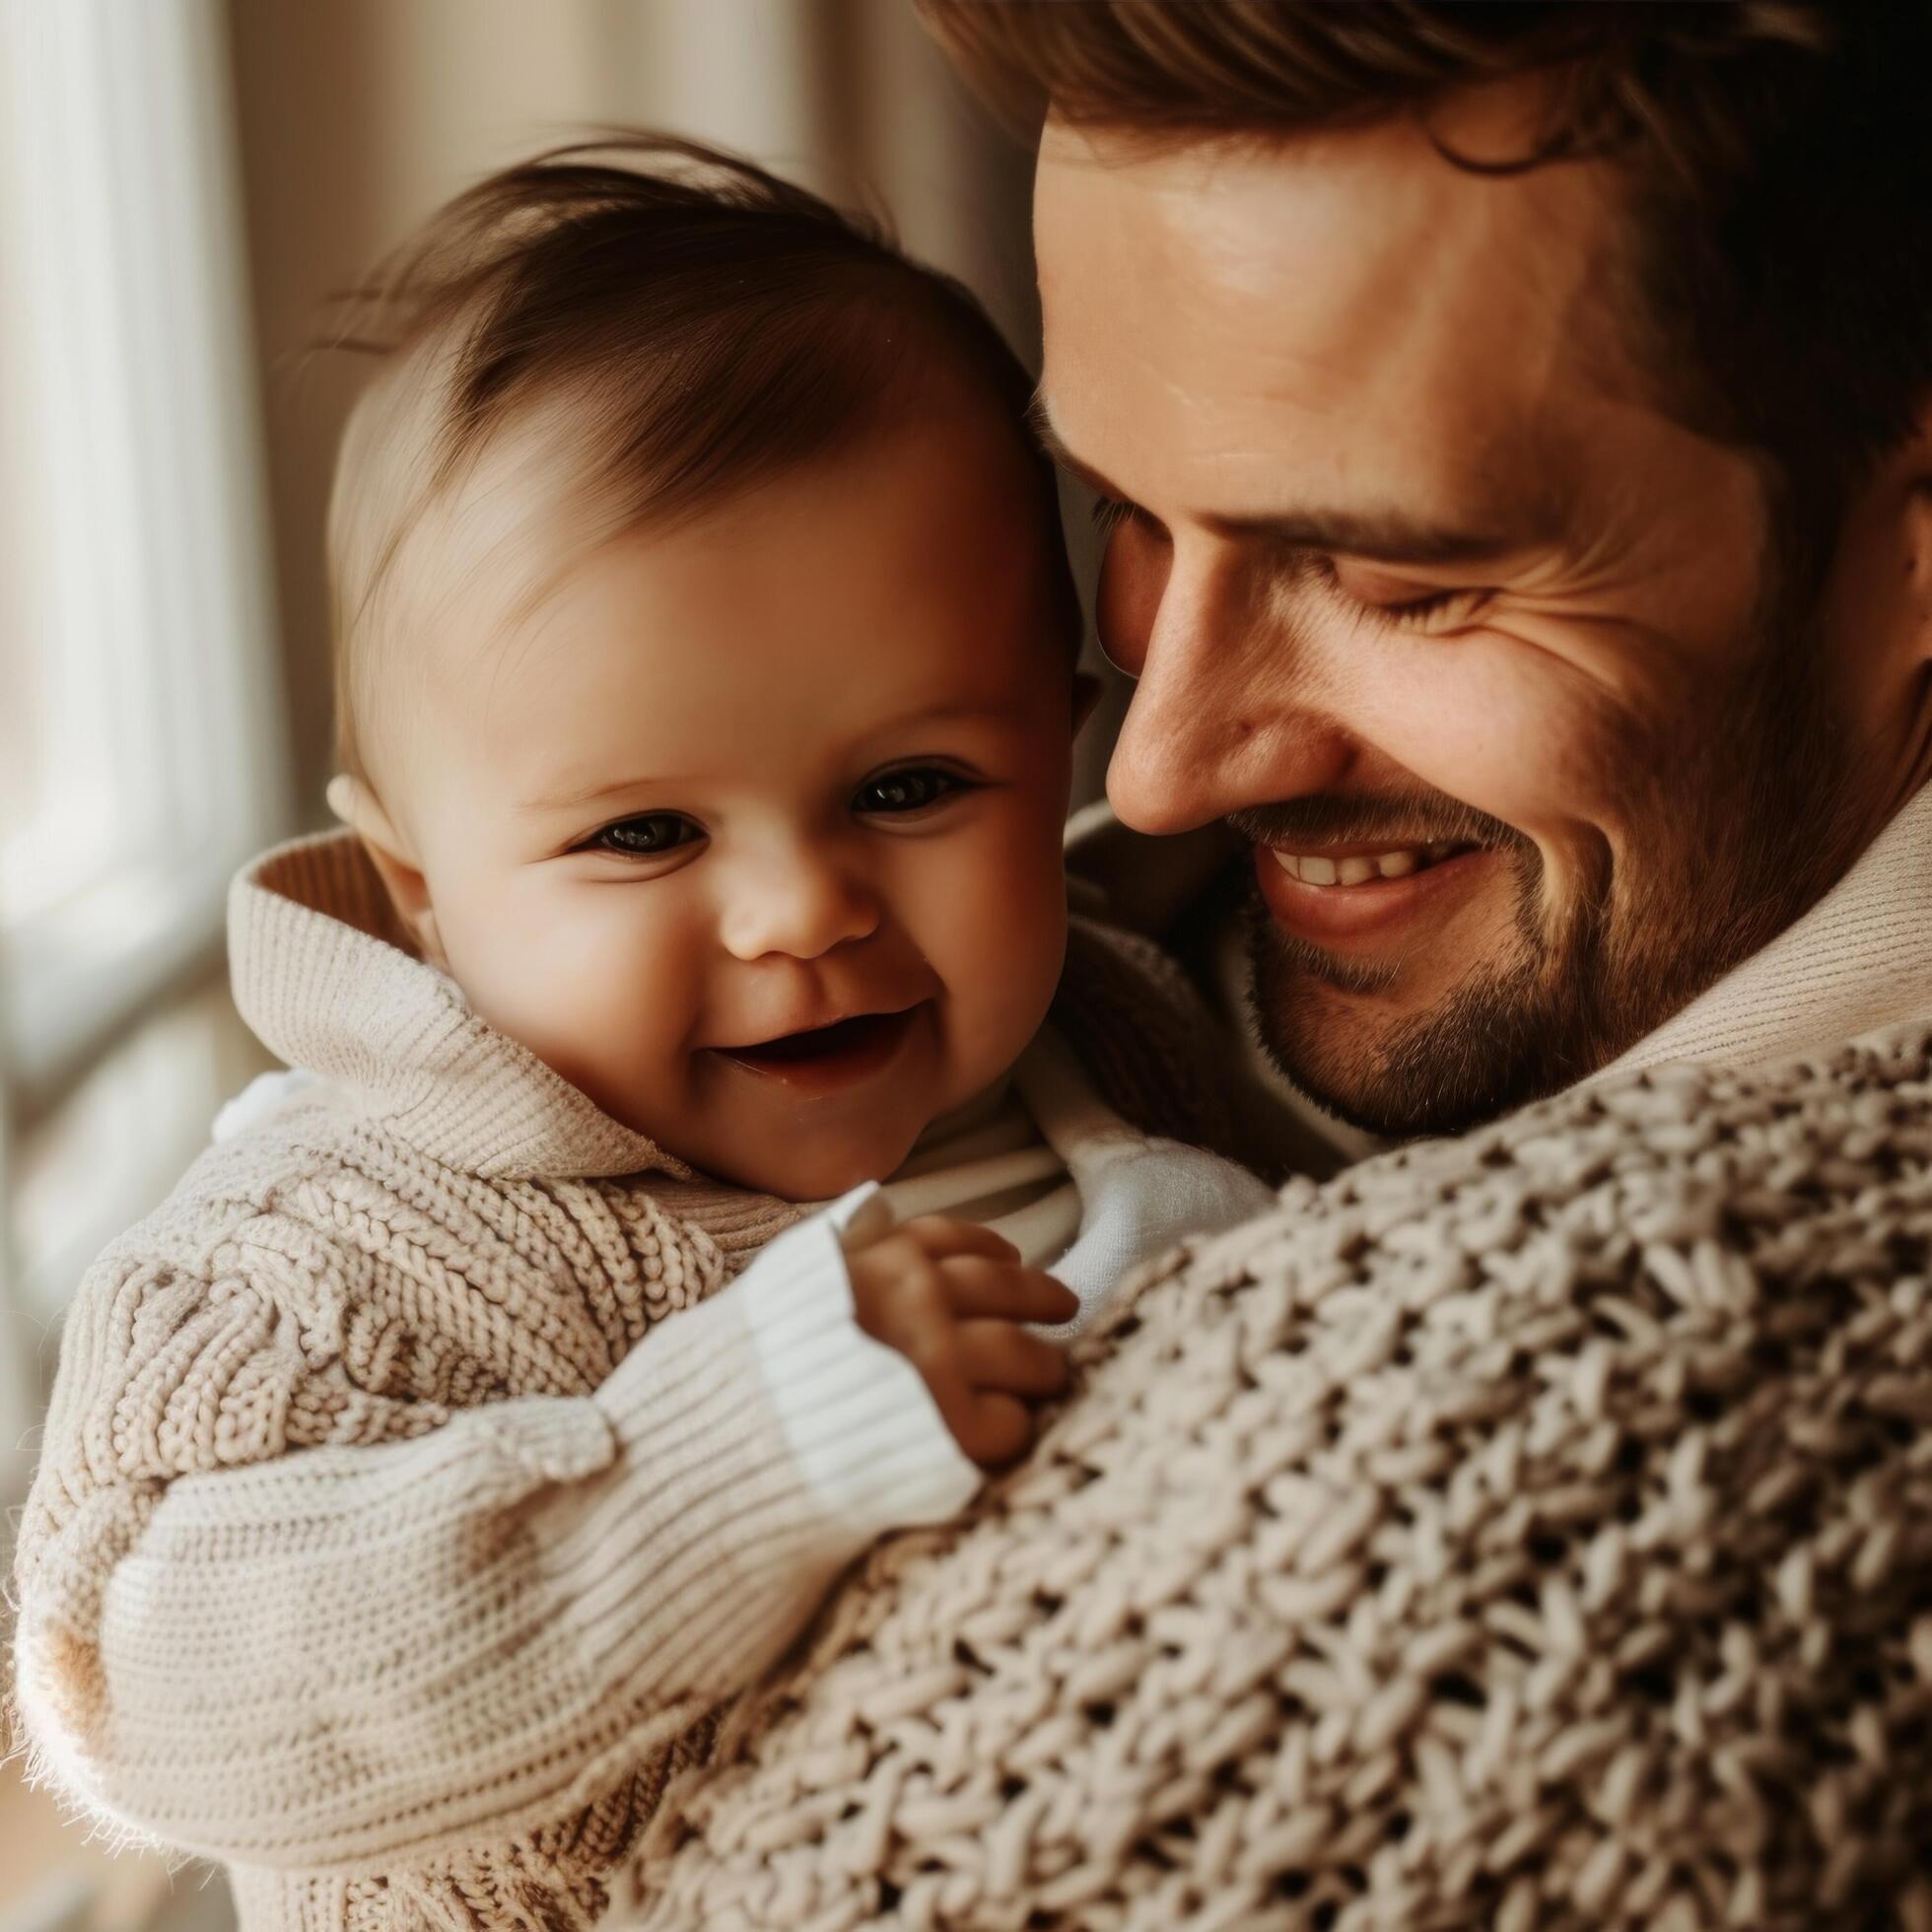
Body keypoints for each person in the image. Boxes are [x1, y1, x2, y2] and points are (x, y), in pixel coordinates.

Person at [602, 6, 1932, 1927]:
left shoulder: (1617, 1467)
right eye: (1127, 521)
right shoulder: (996, 996)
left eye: (1400, 581)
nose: (1154, 761)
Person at [5, 137, 1273, 1932]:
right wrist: (731, 1461)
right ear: (419, 884)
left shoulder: (1122, 1031)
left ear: (1063, 750)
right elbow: (157, 1707)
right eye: (646, 834)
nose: (801, 913)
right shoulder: (309, 1265)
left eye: (913, 786)